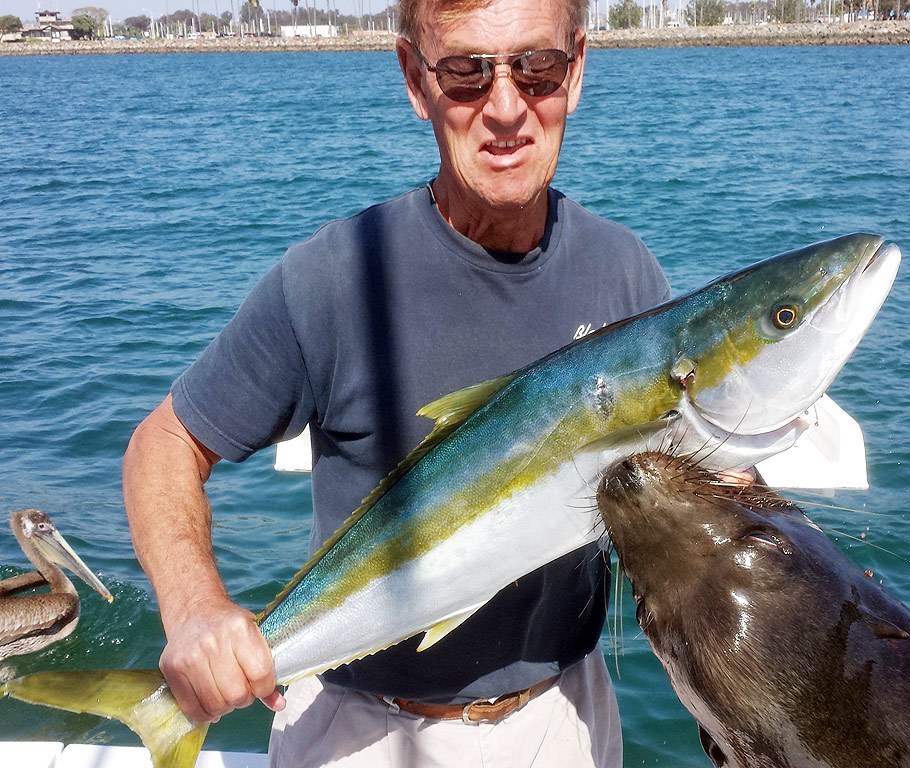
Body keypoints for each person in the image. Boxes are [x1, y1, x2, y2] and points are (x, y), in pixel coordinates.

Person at [122, 0, 671, 765]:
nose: (507, 108)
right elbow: (164, 442)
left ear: (577, 70)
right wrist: (194, 610)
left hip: (564, 718)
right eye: (466, 73)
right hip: (355, 726)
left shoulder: (626, 272)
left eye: (537, 68)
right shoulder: (333, 278)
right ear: (415, 80)